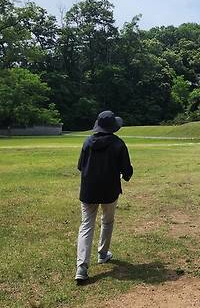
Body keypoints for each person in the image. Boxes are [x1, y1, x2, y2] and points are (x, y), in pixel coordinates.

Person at [75, 110, 133, 284]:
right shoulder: (118, 144)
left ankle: (81, 267)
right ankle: (102, 253)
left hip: (88, 191)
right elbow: (127, 171)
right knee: (107, 221)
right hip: (109, 191)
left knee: (86, 226)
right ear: (113, 127)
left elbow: (80, 167)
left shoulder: (87, 142)